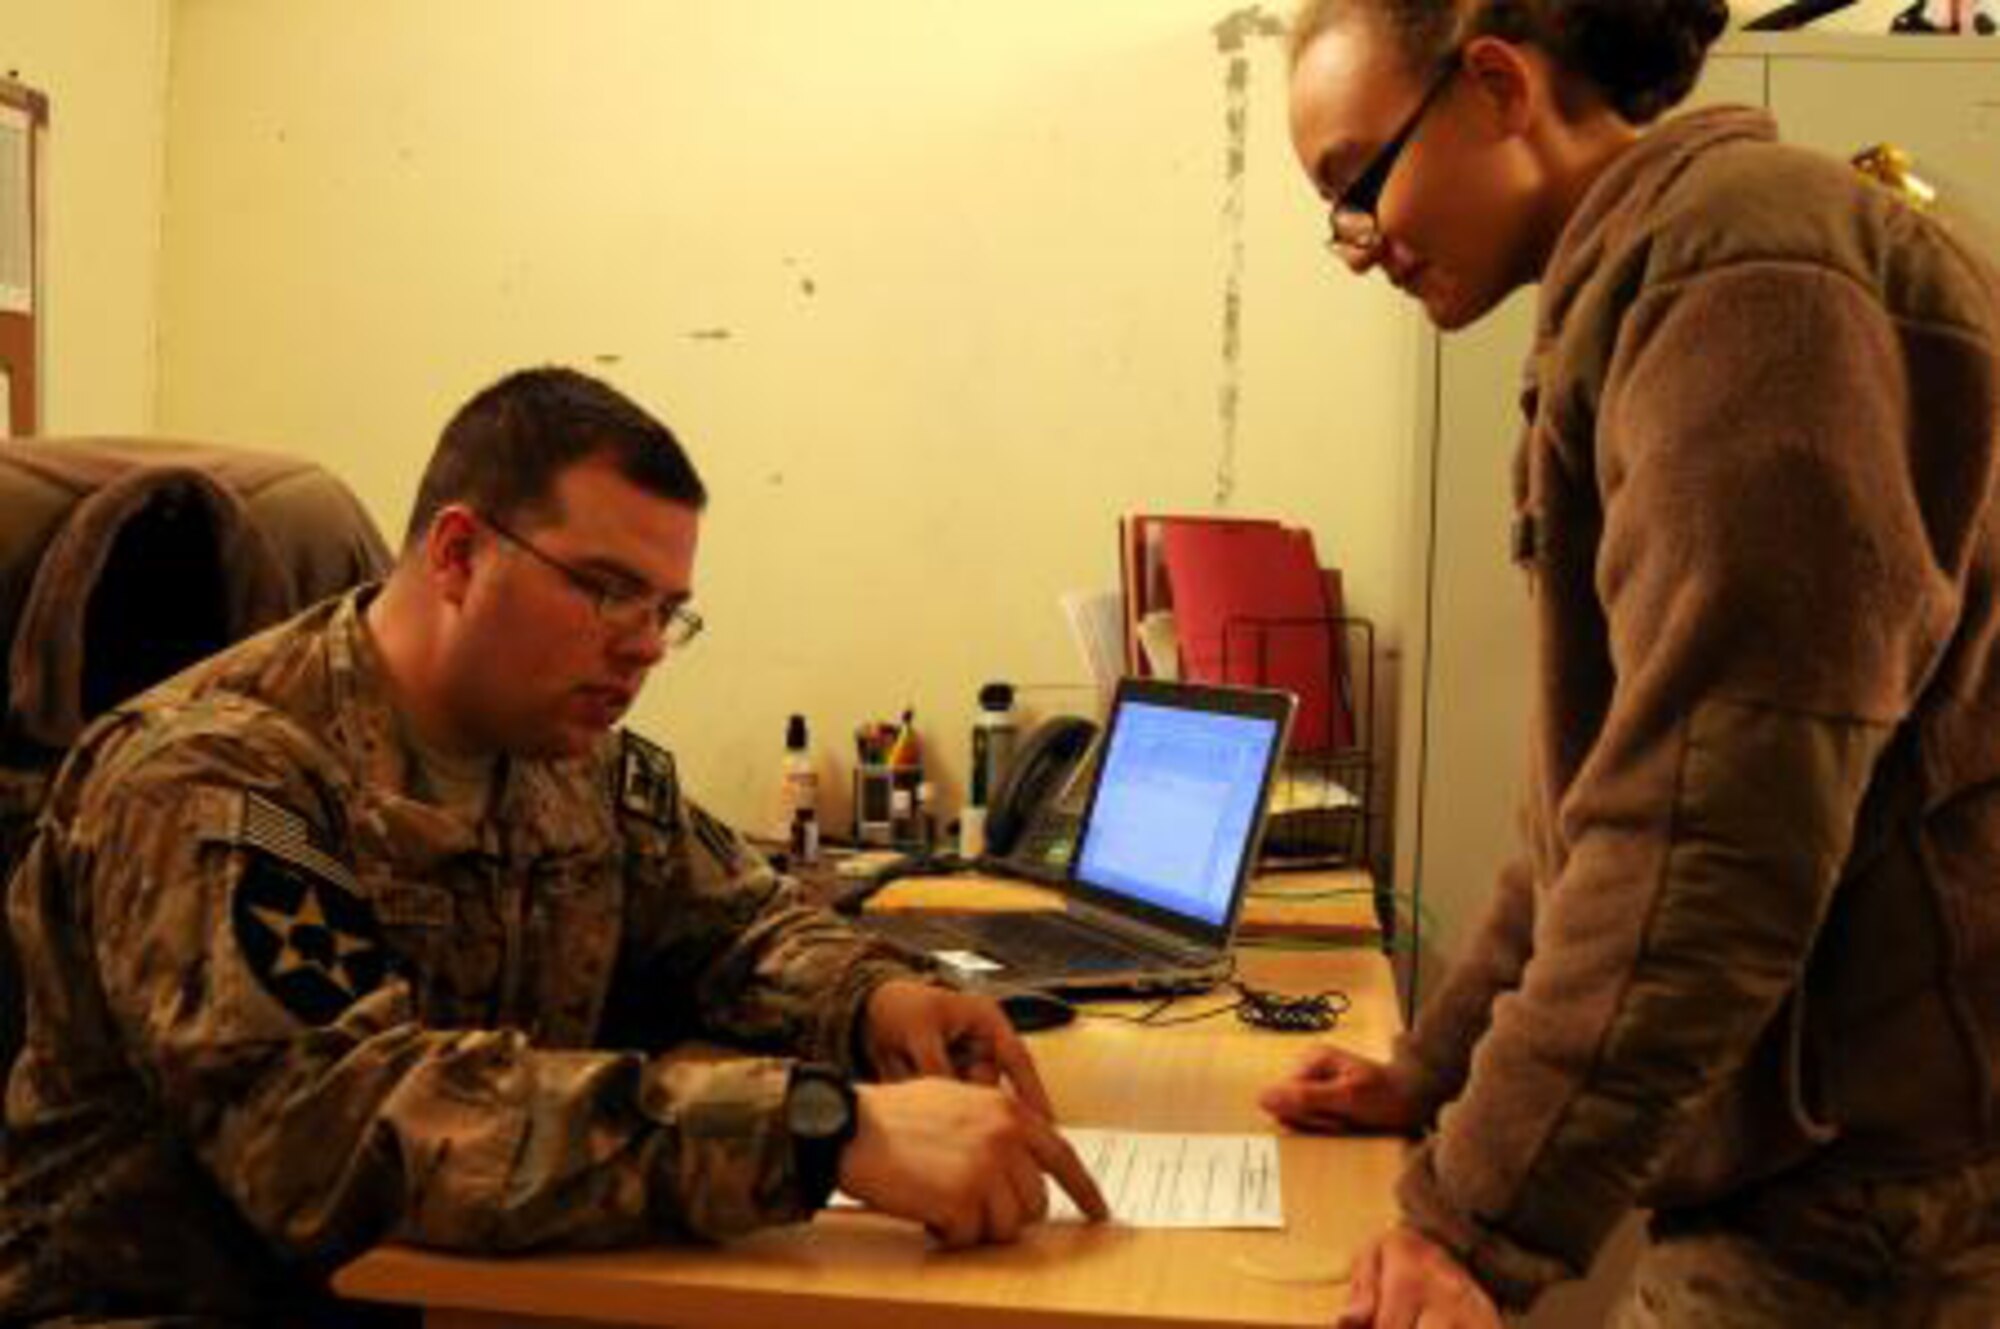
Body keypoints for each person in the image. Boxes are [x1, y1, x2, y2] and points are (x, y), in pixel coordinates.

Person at [0, 366, 1107, 1323]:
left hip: (469, 1292)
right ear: (457, 553)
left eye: (666, 609)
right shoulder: (214, 779)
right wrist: (820, 1130)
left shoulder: (563, 750)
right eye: (606, 590)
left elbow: (734, 921)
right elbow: (332, 1131)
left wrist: (872, 1001)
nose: (642, 648)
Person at [1266, 1, 2000, 1325]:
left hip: (1868, 1201)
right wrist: (1430, 1072)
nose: (1359, 246)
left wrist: (1472, 1221)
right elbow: (1596, 813)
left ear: (1495, 86)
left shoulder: (1740, 278)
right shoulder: (1656, 275)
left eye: (1357, 183)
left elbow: (1711, 827)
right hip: (1812, 1161)